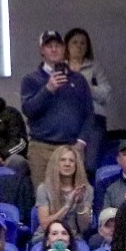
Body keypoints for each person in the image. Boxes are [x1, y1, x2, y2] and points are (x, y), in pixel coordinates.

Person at [21, 30, 93, 189]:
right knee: (44, 198)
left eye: (57, 46)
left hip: (72, 147)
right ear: (42, 51)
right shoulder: (31, 80)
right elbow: (29, 110)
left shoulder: (78, 80)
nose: (54, 49)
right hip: (41, 148)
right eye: (49, 46)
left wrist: (81, 142)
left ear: (64, 49)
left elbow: (89, 114)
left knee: (77, 196)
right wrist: (48, 89)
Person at [64, 29, 110, 172]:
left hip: (94, 119)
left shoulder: (95, 67)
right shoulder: (60, 68)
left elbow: (106, 94)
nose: (79, 46)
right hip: (66, 120)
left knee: (90, 164)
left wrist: (87, 87)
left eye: (83, 43)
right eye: (75, 42)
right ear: (67, 46)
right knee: (68, 162)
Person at [34, 144, 92, 241]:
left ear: (76, 165)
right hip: (46, 237)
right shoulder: (43, 188)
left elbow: (84, 228)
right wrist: (67, 206)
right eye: (63, 160)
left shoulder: (86, 189)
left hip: (73, 237)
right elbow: (45, 226)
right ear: (56, 164)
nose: (67, 164)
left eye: (71, 161)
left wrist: (80, 204)